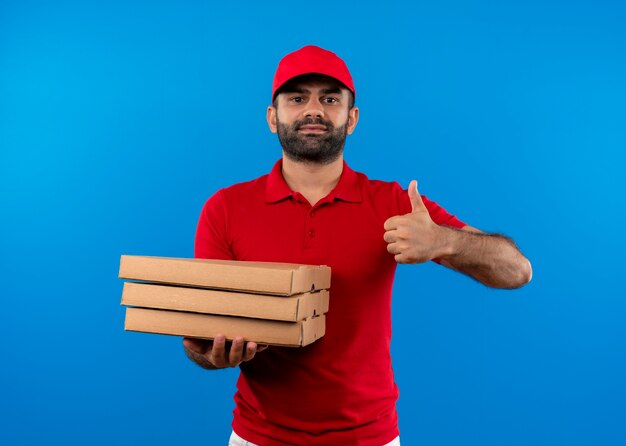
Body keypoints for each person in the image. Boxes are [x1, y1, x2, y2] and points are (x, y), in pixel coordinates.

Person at [182, 45, 532, 446]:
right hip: (258, 436)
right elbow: (200, 340)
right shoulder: (225, 208)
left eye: (329, 99)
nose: (313, 110)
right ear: (272, 117)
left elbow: (516, 271)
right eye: (297, 98)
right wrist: (210, 354)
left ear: (351, 119)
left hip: (370, 437)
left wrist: (444, 240)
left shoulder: (394, 204)